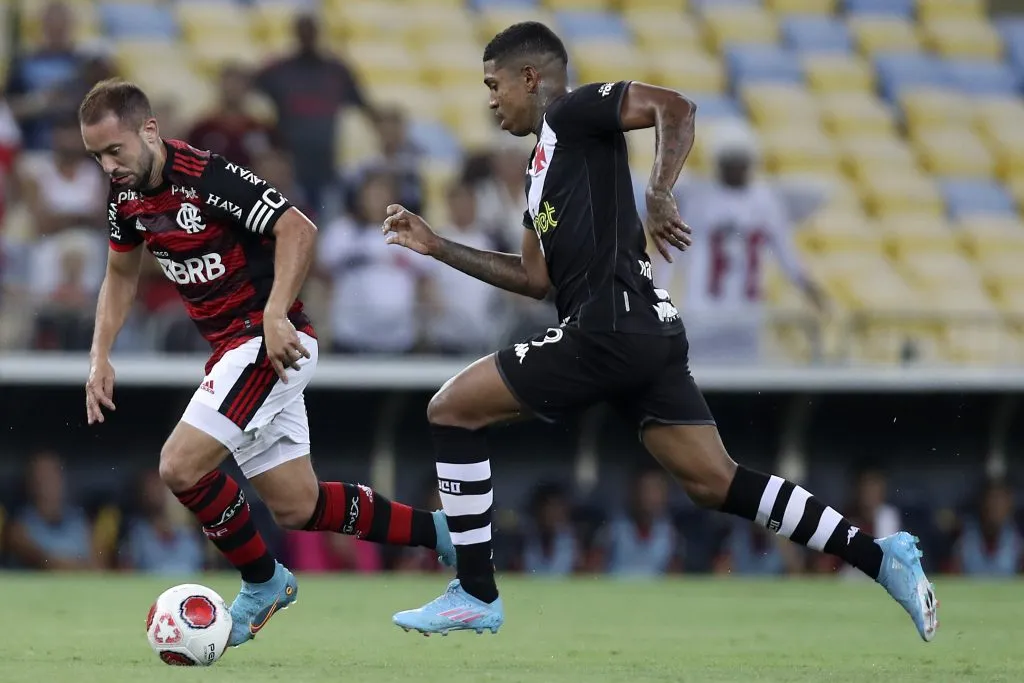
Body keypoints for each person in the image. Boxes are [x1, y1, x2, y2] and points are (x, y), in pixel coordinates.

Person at [381, 22, 937, 641]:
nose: (490, 99)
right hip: (642, 331)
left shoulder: (573, 111)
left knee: (451, 410)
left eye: (494, 84)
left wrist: (659, 188)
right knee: (714, 481)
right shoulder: (541, 167)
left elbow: (675, 106)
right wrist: (437, 247)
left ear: (530, 78)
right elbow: (536, 278)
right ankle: (879, 557)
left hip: (609, 327)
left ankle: (476, 592)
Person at [77, 79, 455, 649]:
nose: (108, 166)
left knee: (179, 467)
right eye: (96, 157)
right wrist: (100, 353)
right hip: (234, 349)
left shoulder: (205, 175)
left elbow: (297, 228)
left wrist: (276, 313)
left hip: (267, 341)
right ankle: (447, 534)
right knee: (299, 506)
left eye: (114, 151)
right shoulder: (125, 198)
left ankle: (263, 581)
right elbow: (122, 273)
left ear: (148, 130)